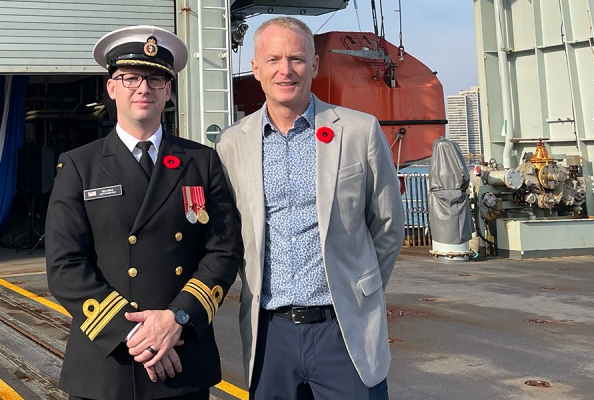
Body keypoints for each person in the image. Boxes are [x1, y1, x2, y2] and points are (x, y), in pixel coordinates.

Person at [45, 25, 243, 400]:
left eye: (155, 79)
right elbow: (64, 265)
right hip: (108, 364)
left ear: (168, 91)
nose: (143, 88)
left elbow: (224, 249)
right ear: (112, 87)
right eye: (131, 77)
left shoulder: (201, 161)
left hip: (181, 355)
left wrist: (177, 319)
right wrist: (133, 333)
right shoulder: (79, 166)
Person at [216, 16, 405, 400]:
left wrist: (359, 290)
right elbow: (230, 232)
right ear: (255, 68)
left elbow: (388, 225)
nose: (286, 70)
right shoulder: (232, 145)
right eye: (273, 60)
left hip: (343, 329)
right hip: (270, 332)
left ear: (314, 65)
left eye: (297, 59)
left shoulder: (359, 131)